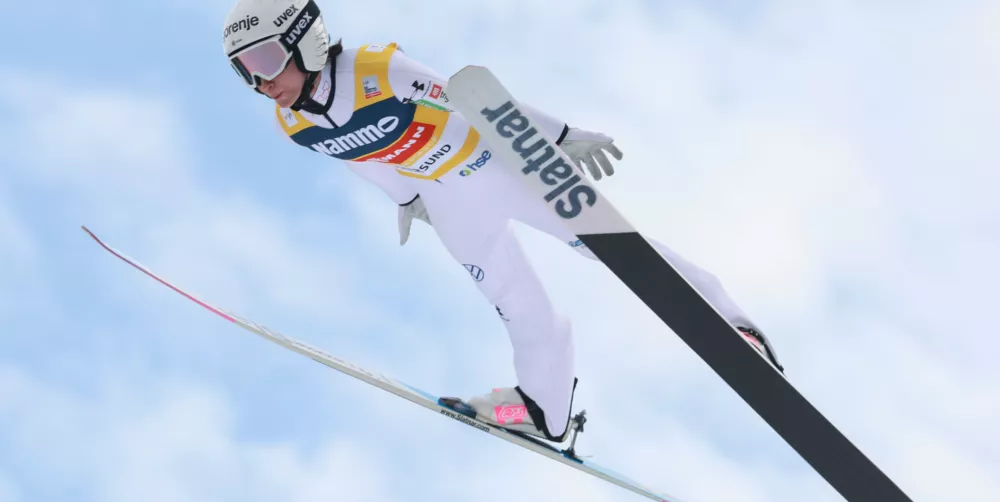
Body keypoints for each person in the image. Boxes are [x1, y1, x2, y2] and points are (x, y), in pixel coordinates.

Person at [222, 0, 784, 443]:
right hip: (446, 199)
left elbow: (471, 100)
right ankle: (544, 411)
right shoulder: (291, 124)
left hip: (495, 165)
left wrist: (557, 134)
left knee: (609, 247)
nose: (262, 82)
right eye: (246, 71)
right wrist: (406, 200)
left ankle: (732, 326)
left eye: (267, 61)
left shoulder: (377, 69)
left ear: (307, 39)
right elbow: (363, 161)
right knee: (514, 301)